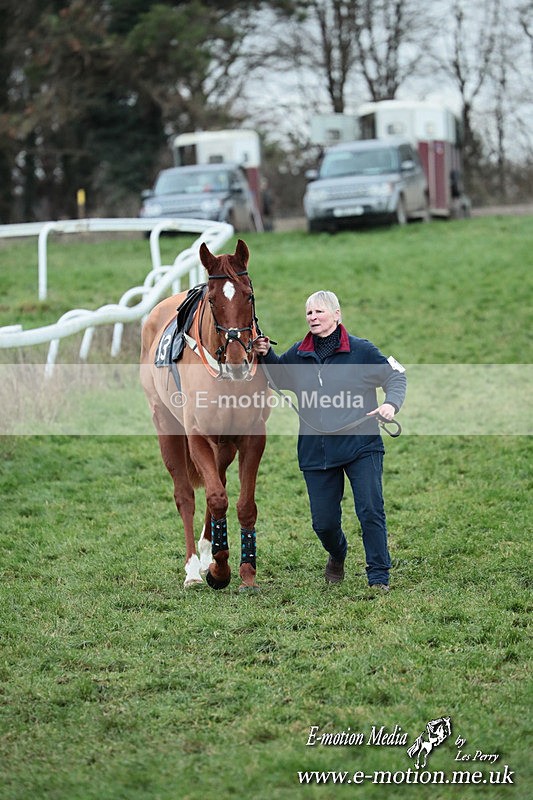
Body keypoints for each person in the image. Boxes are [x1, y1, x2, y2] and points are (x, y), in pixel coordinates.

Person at [254, 290, 406, 590]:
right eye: (309, 312)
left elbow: (396, 375)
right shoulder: (298, 353)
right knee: (323, 524)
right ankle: (338, 553)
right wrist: (266, 354)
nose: (313, 317)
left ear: (337, 315)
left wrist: (391, 404)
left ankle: (378, 576)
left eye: (319, 311)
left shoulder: (362, 351)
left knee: (370, 510)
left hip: (361, 444)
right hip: (317, 450)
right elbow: (279, 379)